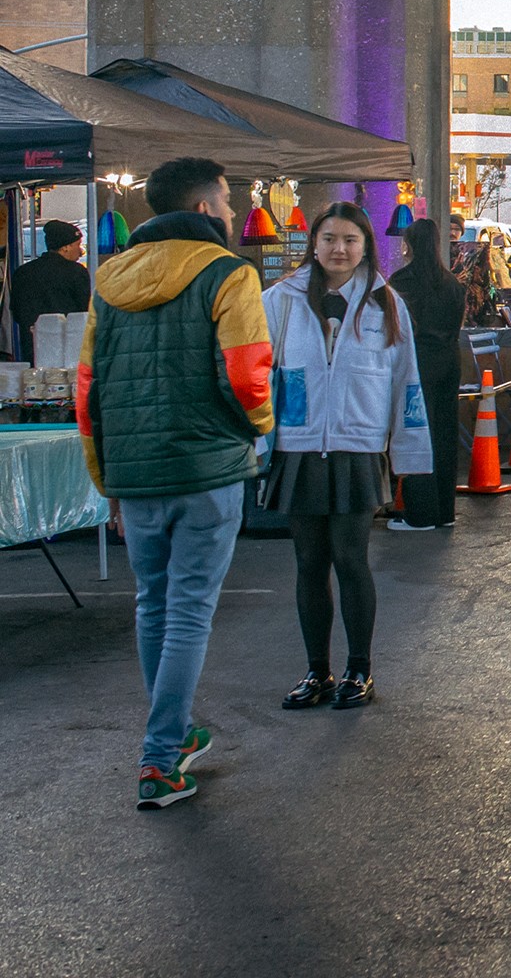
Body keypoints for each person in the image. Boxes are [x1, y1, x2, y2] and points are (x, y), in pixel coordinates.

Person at [78, 158, 273, 809]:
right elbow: (247, 376)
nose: (229, 209)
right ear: (204, 206)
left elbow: (89, 389)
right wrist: (261, 431)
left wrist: (106, 476)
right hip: (205, 466)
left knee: (154, 605)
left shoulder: (108, 280)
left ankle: (178, 731)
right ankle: (160, 758)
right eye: (224, 198)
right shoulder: (228, 272)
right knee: (189, 609)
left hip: (135, 474)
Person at [260, 202, 431, 711]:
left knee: (351, 559)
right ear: (314, 244)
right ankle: (317, 672)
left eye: (350, 240)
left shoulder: (387, 304)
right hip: (298, 447)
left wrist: (408, 452)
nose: (339, 249)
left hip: (358, 449)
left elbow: (406, 381)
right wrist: (256, 445)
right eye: (330, 239)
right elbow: (258, 377)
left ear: (365, 246)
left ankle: (360, 669)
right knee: (309, 563)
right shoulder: (281, 300)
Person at [387, 216, 466, 531]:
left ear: (408, 245)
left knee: (418, 433)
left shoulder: (400, 282)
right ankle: (445, 511)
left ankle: (420, 513)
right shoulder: (452, 284)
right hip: (450, 361)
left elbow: (392, 328)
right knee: (446, 433)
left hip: (417, 363)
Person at [10, 218, 89, 358]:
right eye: (78, 245)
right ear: (65, 247)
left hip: (32, 348)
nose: (81, 251)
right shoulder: (76, 272)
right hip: (68, 349)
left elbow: (17, 313)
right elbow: (83, 312)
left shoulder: (22, 273)